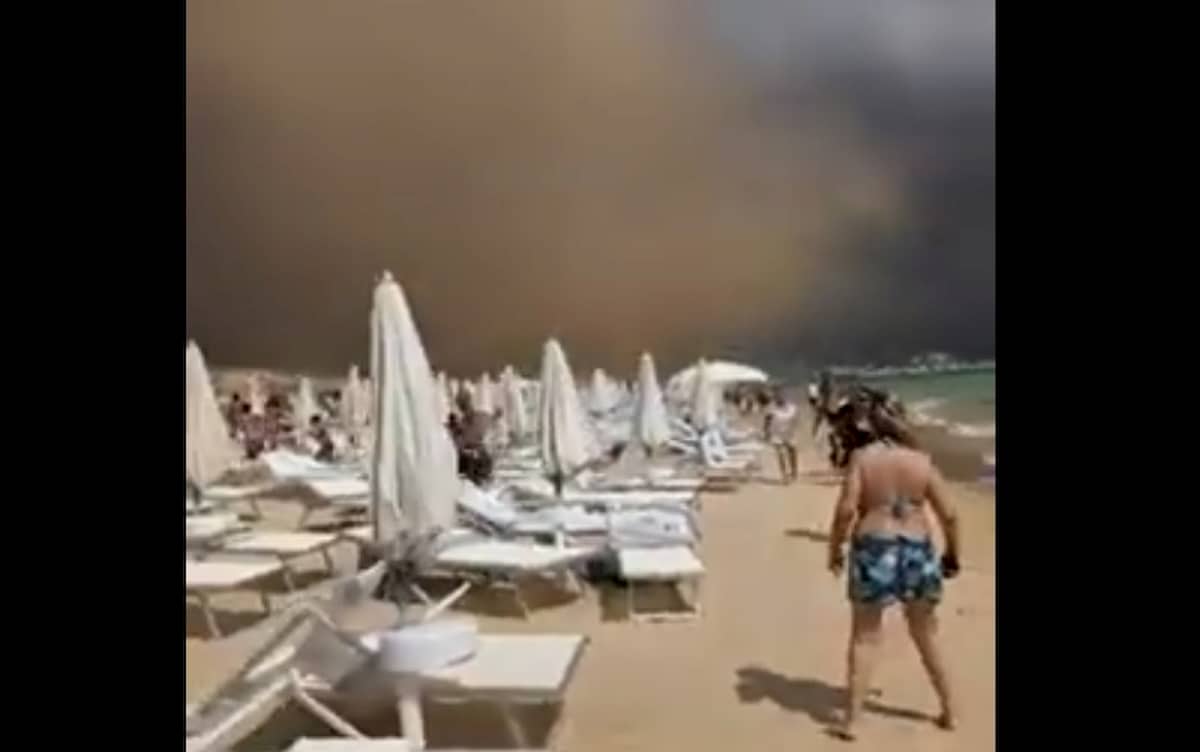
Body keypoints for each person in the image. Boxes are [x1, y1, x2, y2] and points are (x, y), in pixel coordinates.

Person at [826, 406, 961, 740]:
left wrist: (834, 549)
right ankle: (950, 710)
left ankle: (853, 721)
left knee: (865, 636)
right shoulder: (921, 461)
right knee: (925, 633)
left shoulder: (862, 460)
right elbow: (950, 514)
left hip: (874, 547)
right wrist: (952, 555)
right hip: (916, 548)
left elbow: (846, 510)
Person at [763, 390, 800, 483]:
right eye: (777, 398)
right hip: (776, 434)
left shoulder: (792, 408)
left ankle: (794, 472)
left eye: (781, 397)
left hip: (789, 433)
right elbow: (767, 421)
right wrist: (766, 433)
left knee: (793, 452)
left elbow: (797, 421)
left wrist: (795, 430)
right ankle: (784, 475)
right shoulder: (771, 409)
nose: (779, 399)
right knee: (781, 454)